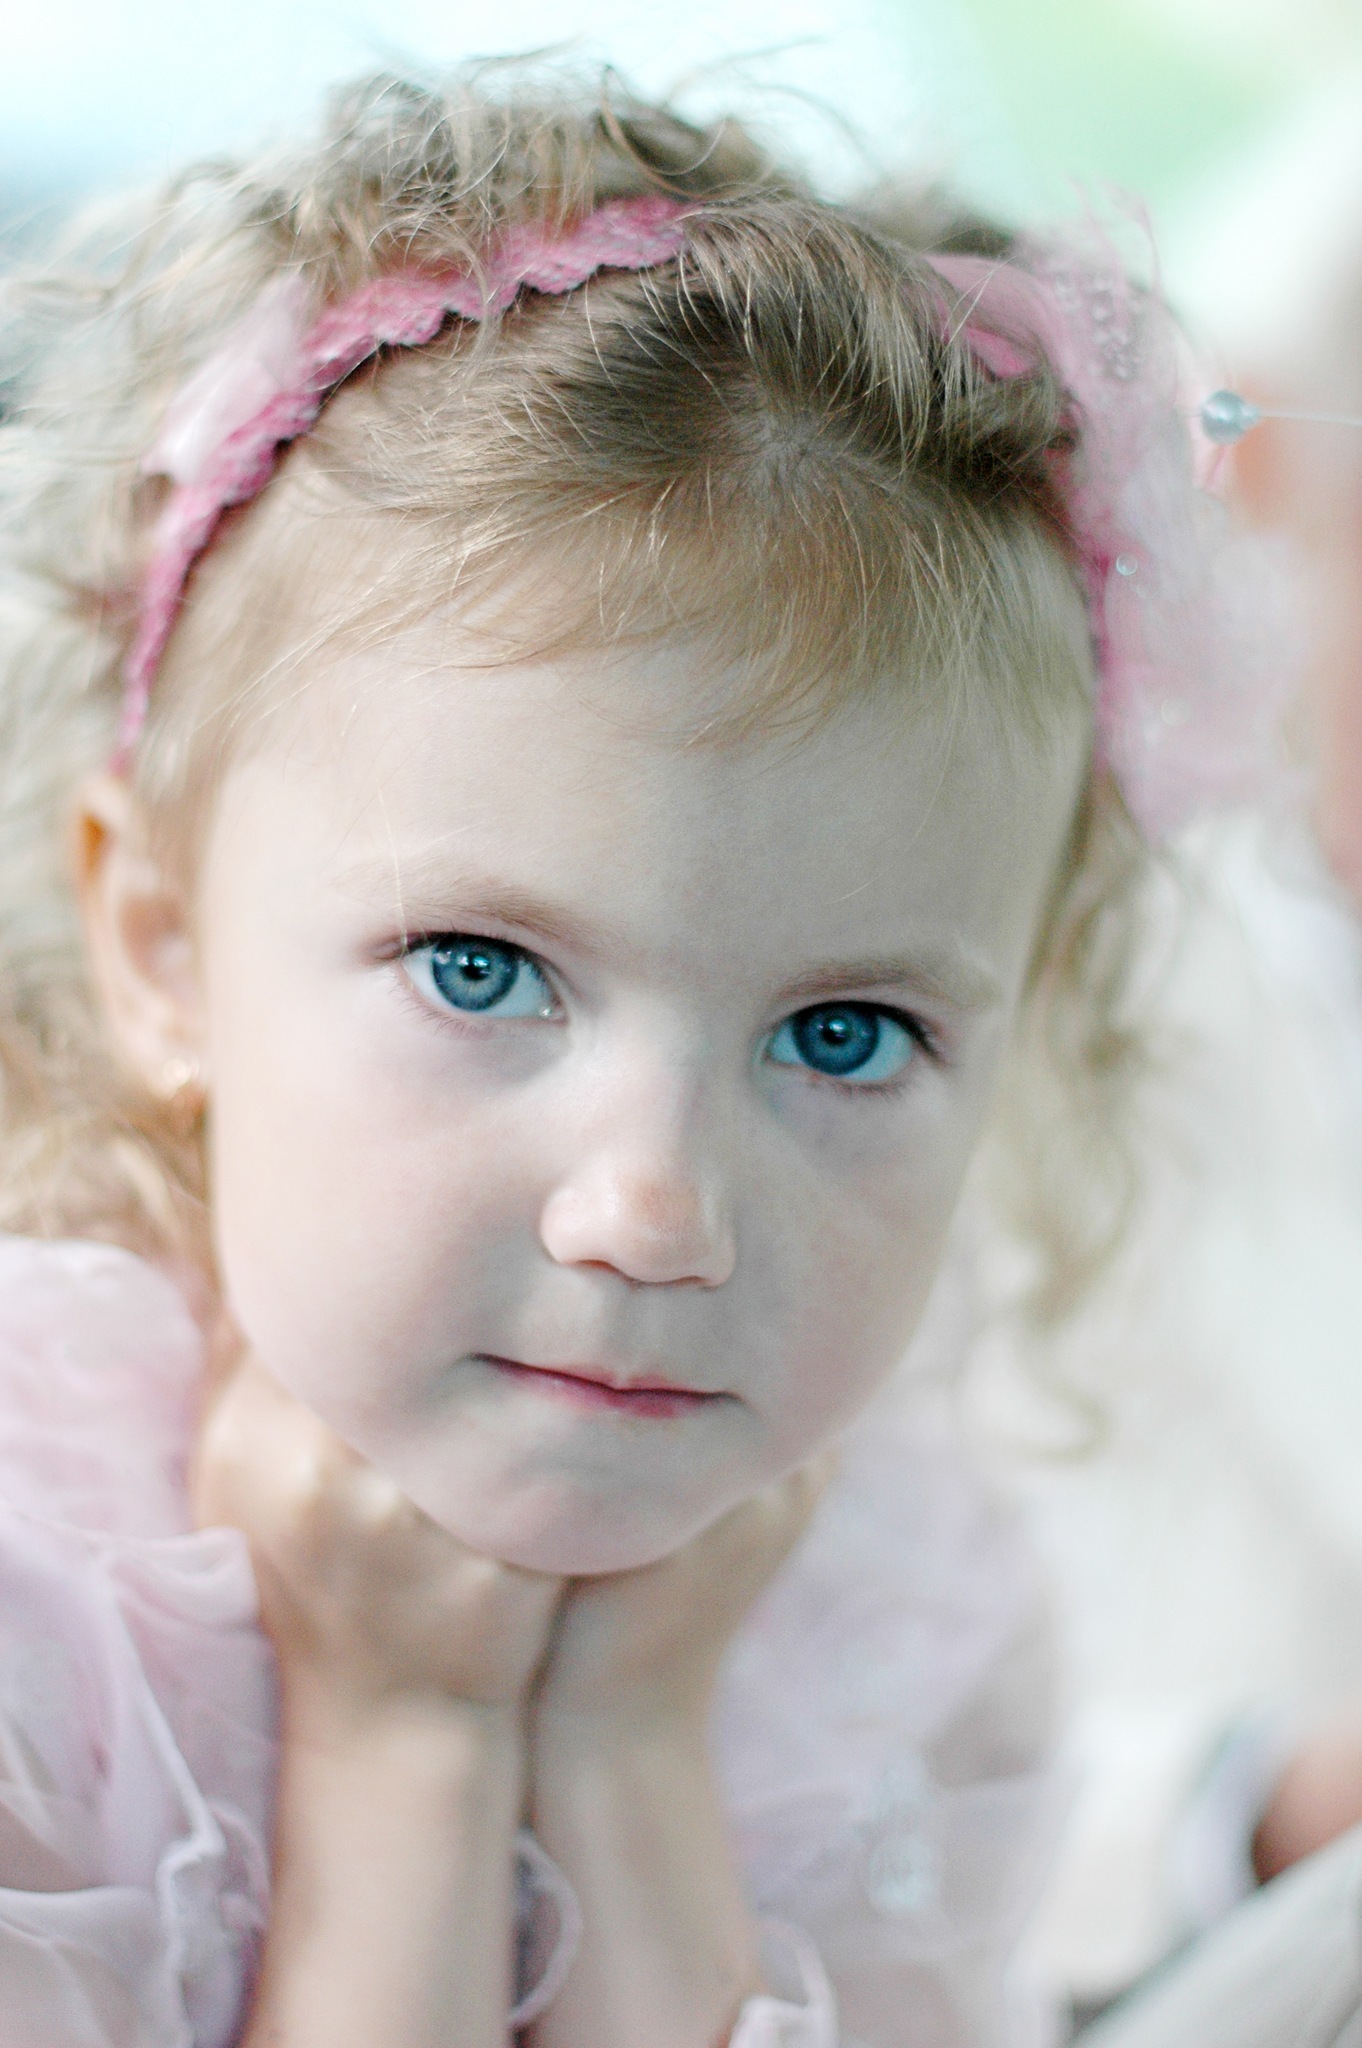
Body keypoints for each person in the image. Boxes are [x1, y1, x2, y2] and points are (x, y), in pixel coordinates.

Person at [0, 61, 1268, 2047]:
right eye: (482, 971)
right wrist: (404, 1742)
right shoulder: (35, 1606)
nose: (657, 1211)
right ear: (163, 948)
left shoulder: (908, 1619)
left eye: (843, 1032)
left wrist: (628, 1756)